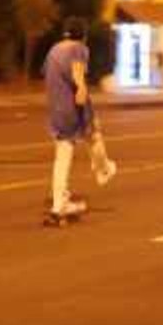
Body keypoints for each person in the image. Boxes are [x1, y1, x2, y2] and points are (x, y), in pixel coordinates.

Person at [43, 16, 117, 226]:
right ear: (83, 36)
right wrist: (82, 89)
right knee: (94, 134)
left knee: (62, 156)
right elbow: (77, 72)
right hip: (74, 105)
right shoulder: (78, 48)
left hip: (56, 110)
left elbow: (48, 76)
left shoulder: (53, 51)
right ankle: (103, 170)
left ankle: (59, 205)